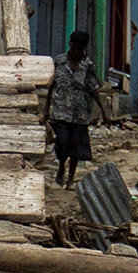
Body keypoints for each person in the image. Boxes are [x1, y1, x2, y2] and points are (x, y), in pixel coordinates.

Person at [43, 29, 108, 185]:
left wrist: (105, 111)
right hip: (60, 112)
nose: (77, 52)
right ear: (70, 44)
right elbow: (51, 86)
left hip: (80, 113)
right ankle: (61, 167)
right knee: (62, 141)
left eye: (81, 49)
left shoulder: (88, 65)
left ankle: (71, 178)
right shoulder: (58, 61)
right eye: (75, 48)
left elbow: (93, 88)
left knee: (76, 147)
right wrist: (45, 110)